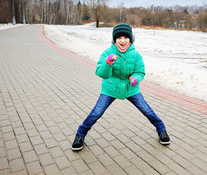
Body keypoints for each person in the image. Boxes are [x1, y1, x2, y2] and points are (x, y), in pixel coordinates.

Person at [72, 23, 170, 151]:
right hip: (110, 88)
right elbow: (101, 73)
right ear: (115, 40)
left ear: (130, 39)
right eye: (119, 38)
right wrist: (108, 63)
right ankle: (80, 135)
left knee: (147, 110)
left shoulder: (136, 55)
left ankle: (161, 130)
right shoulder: (108, 52)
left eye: (125, 37)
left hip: (131, 88)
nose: (122, 41)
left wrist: (136, 79)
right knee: (96, 113)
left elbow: (140, 72)